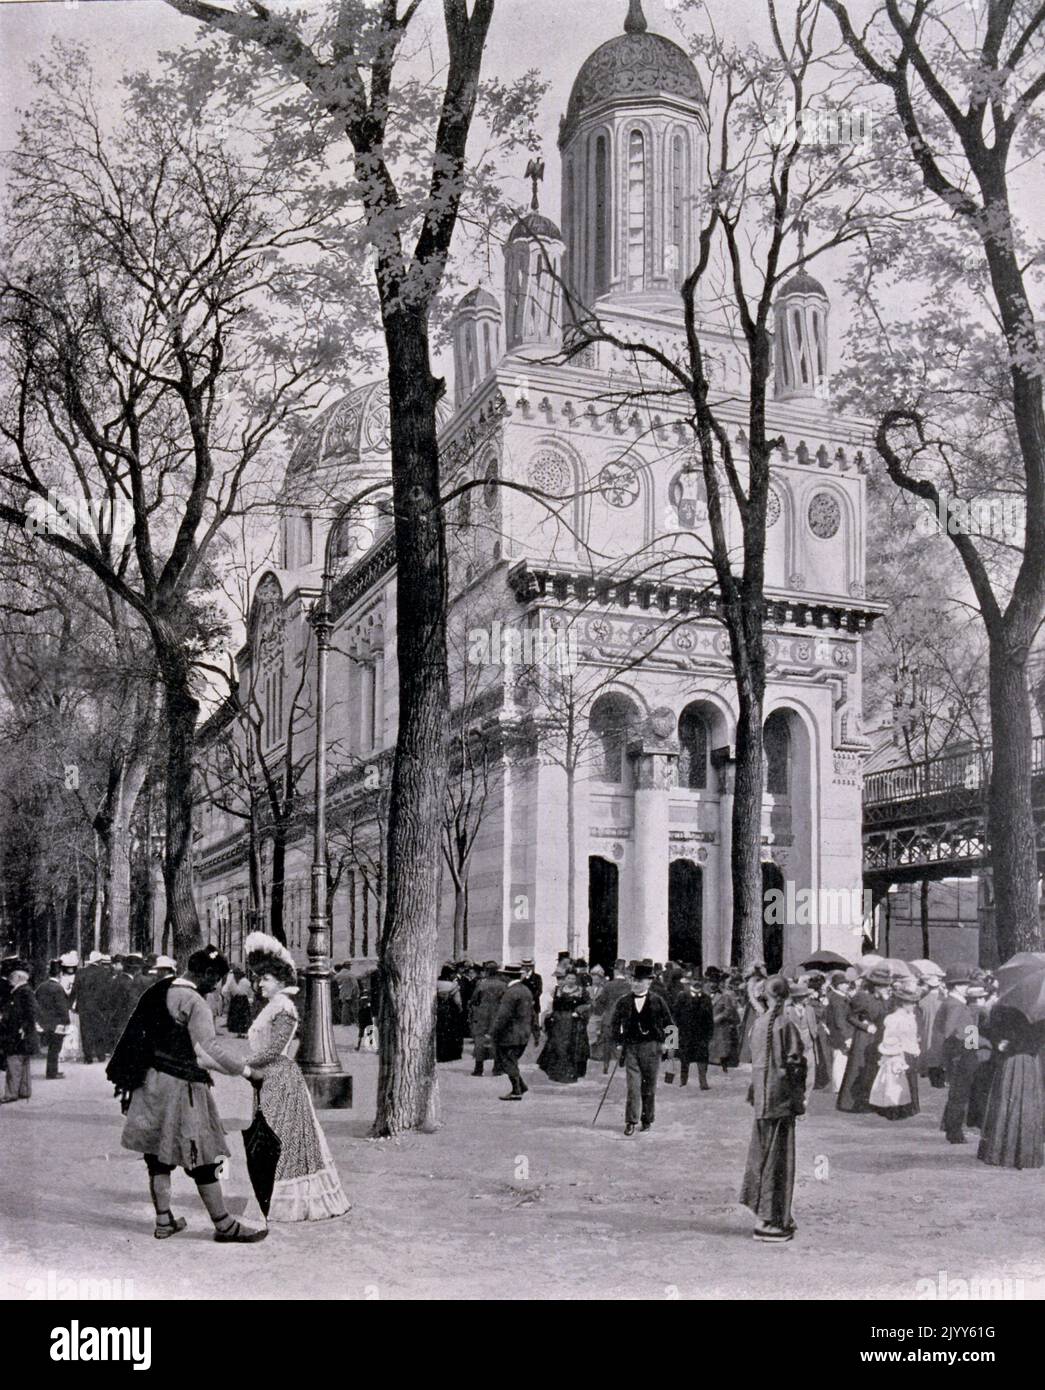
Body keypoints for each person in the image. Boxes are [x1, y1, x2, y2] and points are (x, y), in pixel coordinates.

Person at [107, 945, 268, 1242]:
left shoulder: (160, 991)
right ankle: (224, 1225)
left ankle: (164, 1220)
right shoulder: (194, 1002)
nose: (218, 986)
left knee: (156, 1156)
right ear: (206, 973)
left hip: (151, 1085)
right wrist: (248, 1072)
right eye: (217, 979)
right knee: (203, 1157)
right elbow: (208, 1051)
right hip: (182, 1089)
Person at [198, 933, 350, 1222]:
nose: (260, 984)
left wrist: (237, 1063)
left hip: (280, 1079)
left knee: (283, 1141)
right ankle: (273, 1199)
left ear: (279, 981)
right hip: (270, 1079)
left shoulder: (284, 1006)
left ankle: (287, 1203)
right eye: (258, 979)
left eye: (265, 979)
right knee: (273, 1141)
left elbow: (274, 1049)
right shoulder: (273, 1005)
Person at [739, 975, 806, 1243]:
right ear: (786, 996)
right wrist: (799, 1098)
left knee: (762, 1155)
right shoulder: (785, 1024)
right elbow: (795, 1064)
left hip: (762, 1100)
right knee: (779, 1161)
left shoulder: (759, 1023)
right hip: (780, 1101)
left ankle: (767, 1215)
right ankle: (771, 1220)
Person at [977, 1006, 1045, 1170]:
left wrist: (1002, 1045)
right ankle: (1023, 1153)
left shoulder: (1002, 1008)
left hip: (1014, 1061)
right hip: (1027, 1062)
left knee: (1009, 1102)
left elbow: (984, 1031)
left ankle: (1003, 1151)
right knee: (1021, 1104)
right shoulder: (1037, 1012)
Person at [610, 962, 673, 1135]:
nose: (636, 984)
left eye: (640, 981)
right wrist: (618, 1042)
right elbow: (614, 1024)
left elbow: (670, 1024)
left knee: (649, 1087)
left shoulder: (657, 1001)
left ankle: (647, 1119)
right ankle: (630, 1121)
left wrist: (669, 1045)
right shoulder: (623, 1002)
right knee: (633, 1086)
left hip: (652, 1048)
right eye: (634, 980)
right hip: (631, 1048)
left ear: (649, 982)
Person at [836, 966, 892, 1114]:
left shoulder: (882, 1000)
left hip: (876, 1038)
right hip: (863, 1038)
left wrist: (886, 1001)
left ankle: (867, 1100)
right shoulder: (862, 997)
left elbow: (885, 1016)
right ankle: (850, 1103)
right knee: (858, 1067)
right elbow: (850, 1016)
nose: (888, 988)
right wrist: (865, 1026)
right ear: (876, 986)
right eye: (885, 986)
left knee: (871, 1069)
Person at [934, 964, 979, 1144]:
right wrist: (963, 1047)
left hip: (962, 1051)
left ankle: (951, 1127)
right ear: (957, 986)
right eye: (965, 984)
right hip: (961, 1053)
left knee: (958, 1093)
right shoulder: (955, 1004)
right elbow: (947, 1030)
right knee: (960, 1094)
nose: (967, 987)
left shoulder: (954, 1003)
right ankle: (954, 1132)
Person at [869, 978, 921, 1120]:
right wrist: (896, 1053)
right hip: (900, 1053)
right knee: (898, 1083)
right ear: (903, 1003)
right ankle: (898, 1110)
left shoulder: (910, 1017)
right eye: (911, 1002)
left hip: (910, 1051)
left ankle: (909, 1108)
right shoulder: (894, 1018)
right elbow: (890, 1037)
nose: (914, 1005)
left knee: (909, 1081)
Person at [490, 964, 535, 1100]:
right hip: (523, 1032)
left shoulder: (510, 992)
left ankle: (516, 1090)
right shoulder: (525, 990)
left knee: (508, 1061)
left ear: (506, 976)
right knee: (511, 1060)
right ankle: (521, 1086)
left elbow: (502, 1016)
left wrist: (492, 1032)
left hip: (510, 1033)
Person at [537, 971, 590, 1083]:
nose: (571, 980)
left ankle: (570, 1073)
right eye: (569, 978)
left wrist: (579, 1011)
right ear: (565, 979)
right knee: (557, 1046)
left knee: (570, 1047)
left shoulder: (581, 991)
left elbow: (588, 1004)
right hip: (559, 1022)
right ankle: (556, 1073)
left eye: (573, 978)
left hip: (573, 1023)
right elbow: (552, 1005)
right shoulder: (557, 990)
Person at [1, 967, 40, 1102]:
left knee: (14, 1063)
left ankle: (11, 1093)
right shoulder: (25, 991)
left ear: (19, 978)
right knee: (23, 1063)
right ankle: (24, 1090)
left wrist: (24, 1027)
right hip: (23, 1034)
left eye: (13, 977)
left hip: (17, 1034)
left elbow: (31, 1011)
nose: (10, 979)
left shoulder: (22, 991)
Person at [668, 975, 713, 1089]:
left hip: (701, 1034)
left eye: (699, 981)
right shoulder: (682, 996)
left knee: (702, 1057)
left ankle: (703, 1081)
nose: (697, 983)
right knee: (685, 1058)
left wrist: (709, 1034)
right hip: (686, 1033)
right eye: (695, 980)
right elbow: (675, 1014)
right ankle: (684, 1081)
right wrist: (679, 1029)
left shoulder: (706, 998)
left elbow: (709, 1018)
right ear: (690, 983)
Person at [468, 961, 506, 1077]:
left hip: (482, 1014)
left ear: (487, 971)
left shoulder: (481, 984)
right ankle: (497, 1068)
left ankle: (478, 1069)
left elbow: (474, 999)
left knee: (480, 1041)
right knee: (497, 1040)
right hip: (497, 1014)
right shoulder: (503, 985)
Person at [74, 950, 113, 1063]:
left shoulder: (80, 972)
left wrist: (74, 1005)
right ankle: (101, 1055)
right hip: (99, 1007)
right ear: (100, 961)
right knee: (100, 1029)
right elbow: (107, 991)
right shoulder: (105, 973)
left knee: (85, 1031)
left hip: (84, 1006)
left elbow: (75, 990)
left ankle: (88, 1057)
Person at [36, 959, 72, 1080]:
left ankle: (52, 1070)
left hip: (45, 1022)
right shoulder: (58, 988)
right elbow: (63, 1007)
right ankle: (52, 1072)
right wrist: (67, 1021)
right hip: (57, 1023)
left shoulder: (41, 987)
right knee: (55, 1049)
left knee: (52, 1048)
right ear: (60, 974)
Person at [784, 980, 818, 1102]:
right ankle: (794, 1100)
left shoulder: (810, 1009)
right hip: (793, 1049)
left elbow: (813, 1027)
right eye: (805, 996)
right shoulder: (787, 1010)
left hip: (809, 1047)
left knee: (810, 1075)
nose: (807, 998)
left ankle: (805, 1099)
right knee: (794, 1074)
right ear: (798, 998)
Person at [594, 964, 632, 1074]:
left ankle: (606, 1065)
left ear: (615, 972)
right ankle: (623, 1062)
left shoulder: (608, 985)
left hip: (609, 1018)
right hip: (625, 1019)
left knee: (607, 1042)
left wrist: (598, 1012)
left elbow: (601, 1002)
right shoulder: (629, 986)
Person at [823, 971, 854, 1093]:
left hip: (837, 1034)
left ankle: (839, 1086)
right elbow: (839, 1021)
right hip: (840, 1035)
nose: (847, 985)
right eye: (844, 983)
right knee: (840, 1060)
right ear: (838, 985)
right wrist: (847, 1037)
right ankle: (839, 1087)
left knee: (840, 1059)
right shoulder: (838, 1000)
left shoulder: (838, 997)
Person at [917, 971, 947, 1087]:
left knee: (929, 1053)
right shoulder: (943, 1001)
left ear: (928, 986)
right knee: (940, 1052)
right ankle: (941, 1078)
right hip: (940, 1031)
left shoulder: (922, 1002)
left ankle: (931, 1076)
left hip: (927, 1030)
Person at [709, 973, 741, 1073]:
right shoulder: (705, 995)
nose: (712, 984)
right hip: (709, 1023)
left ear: (718, 983)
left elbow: (728, 1010)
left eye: (714, 982)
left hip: (721, 1025)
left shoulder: (724, 996)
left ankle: (722, 1061)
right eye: (710, 982)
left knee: (721, 1043)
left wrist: (718, 1018)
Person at [435, 965, 465, 1062]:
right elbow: (457, 1001)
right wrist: (460, 1009)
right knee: (451, 1033)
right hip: (450, 1012)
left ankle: (439, 1054)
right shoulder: (453, 985)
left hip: (438, 1010)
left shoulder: (435, 983)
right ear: (450, 974)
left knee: (440, 1033)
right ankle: (450, 1054)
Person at [225, 967, 254, 1038]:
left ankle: (242, 1032)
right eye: (235, 974)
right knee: (237, 1016)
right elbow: (228, 990)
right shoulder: (233, 981)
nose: (236, 975)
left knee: (242, 1016)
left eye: (237, 974)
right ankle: (239, 1032)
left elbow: (249, 992)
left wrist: (250, 999)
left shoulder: (244, 981)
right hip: (236, 999)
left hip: (242, 999)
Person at [334, 962, 359, 1030]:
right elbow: (355, 985)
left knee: (345, 1009)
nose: (350, 967)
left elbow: (335, 981)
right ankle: (357, 1022)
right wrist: (356, 993)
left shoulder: (339, 975)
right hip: (352, 994)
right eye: (349, 965)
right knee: (355, 1009)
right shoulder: (350, 974)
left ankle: (345, 1023)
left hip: (343, 994)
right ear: (347, 966)